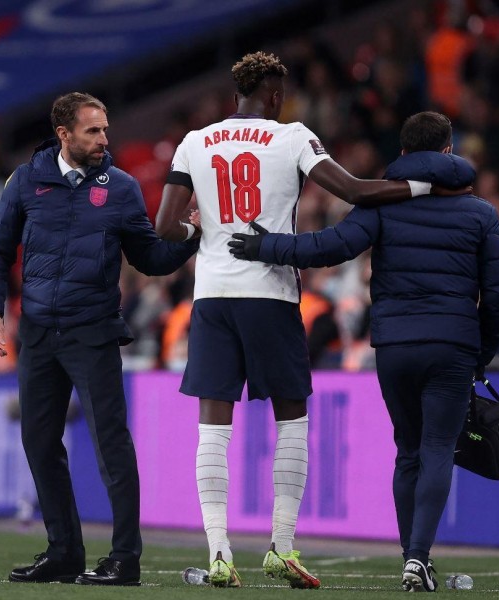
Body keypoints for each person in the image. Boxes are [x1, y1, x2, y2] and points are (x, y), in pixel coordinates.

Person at [153, 51, 451, 589]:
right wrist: (426, 187)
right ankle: (281, 548)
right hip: (270, 294)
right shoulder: (291, 136)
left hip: (213, 296)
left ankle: (219, 553)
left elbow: (165, 224)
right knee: (291, 419)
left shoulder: (194, 141)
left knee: (213, 426)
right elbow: (356, 192)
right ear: (272, 95)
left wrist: (203, 235)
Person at [228, 110, 499, 592]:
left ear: (403, 153)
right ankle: (419, 558)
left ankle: (410, 557)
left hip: (395, 346)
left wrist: (268, 246)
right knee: (439, 447)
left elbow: (329, 247)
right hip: (452, 345)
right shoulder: (480, 213)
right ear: (449, 151)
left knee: (407, 450)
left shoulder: (382, 205)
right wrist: (480, 351)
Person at [0, 92, 198, 586]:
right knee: (38, 441)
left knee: (111, 445)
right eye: (93, 131)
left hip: (92, 333)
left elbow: (149, 258)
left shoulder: (119, 187)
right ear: (64, 135)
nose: (104, 139)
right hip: (36, 335)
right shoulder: (26, 180)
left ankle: (125, 558)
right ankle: (64, 552)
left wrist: (189, 236)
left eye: (105, 129)